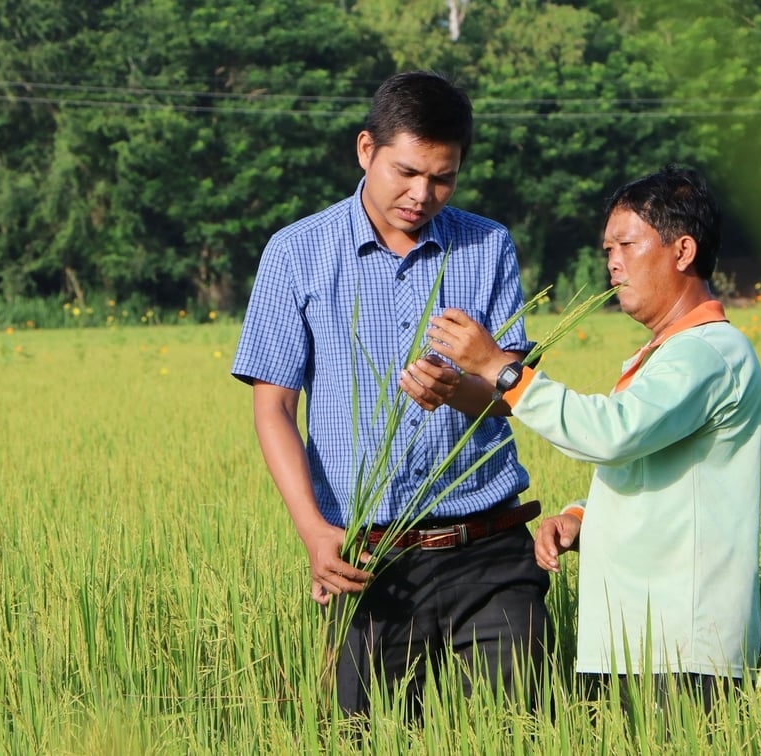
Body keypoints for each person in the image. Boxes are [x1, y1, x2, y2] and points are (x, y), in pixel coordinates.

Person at [231, 71, 548, 717]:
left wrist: (460, 389)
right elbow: (274, 406)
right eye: (406, 171)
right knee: (367, 735)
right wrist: (315, 533)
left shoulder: (487, 246)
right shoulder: (297, 253)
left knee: (521, 730)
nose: (421, 194)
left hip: (490, 547)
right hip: (368, 558)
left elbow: (509, 392)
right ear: (365, 150)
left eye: (442, 178)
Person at [424, 164, 761, 712]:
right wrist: (582, 518)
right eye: (608, 247)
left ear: (682, 251)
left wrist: (501, 370)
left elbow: (612, 434)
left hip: (679, 647)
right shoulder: (669, 354)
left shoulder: (706, 353)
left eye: (627, 244)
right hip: (639, 642)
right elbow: (652, 471)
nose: (612, 262)